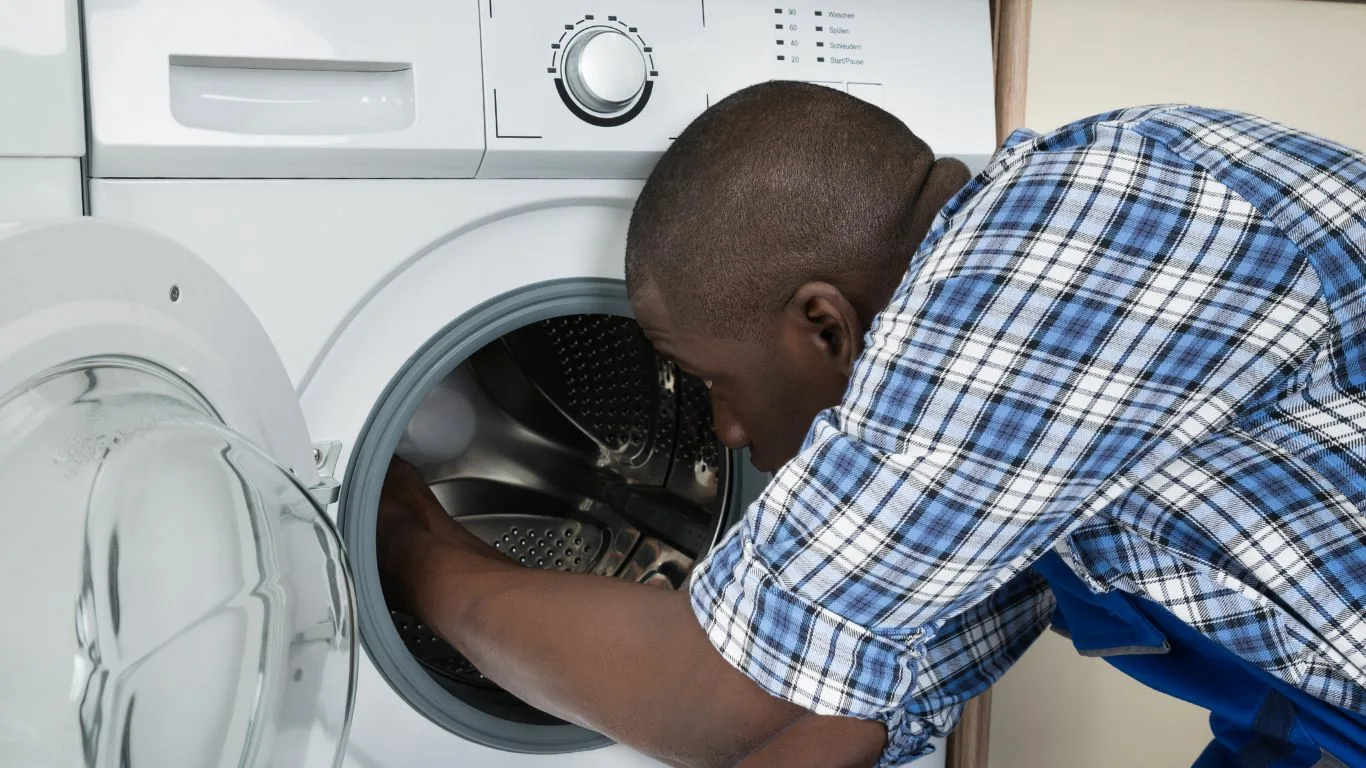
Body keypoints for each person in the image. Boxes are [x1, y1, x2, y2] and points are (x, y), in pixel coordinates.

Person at [377, 81, 1366, 768]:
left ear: (823, 325)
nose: (719, 429)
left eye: (710, 380)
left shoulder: (1057, 252)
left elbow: (719, 694)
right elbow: (845, 712)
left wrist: (414, 555)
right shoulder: (1032, 407)